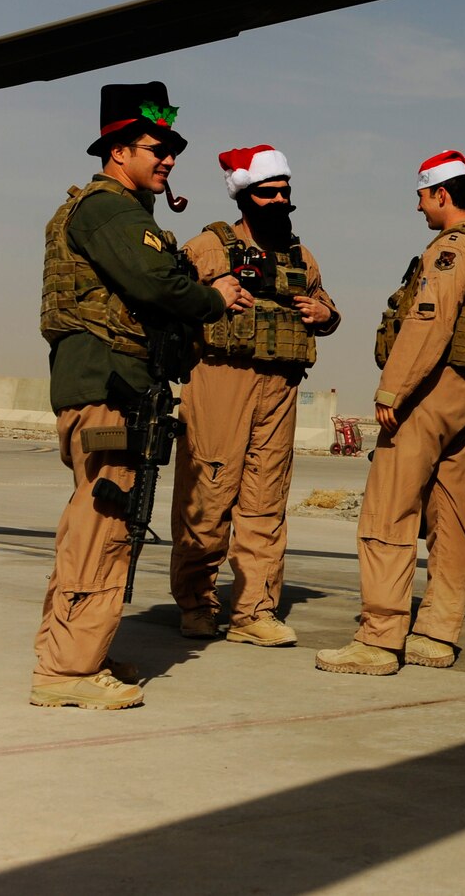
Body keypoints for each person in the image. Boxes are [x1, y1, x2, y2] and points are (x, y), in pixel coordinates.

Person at [33, 82, 249, 709]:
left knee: (100, 518)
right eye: (158, 148)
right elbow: (157, 284)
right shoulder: (108, 210)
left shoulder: (121, 212)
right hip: (106, 383)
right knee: (103, 519)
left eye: (172, 150)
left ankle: (78, 652)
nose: (169, 159)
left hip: (116, 382)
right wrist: (214, 298)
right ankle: (67, 672)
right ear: (119, 151)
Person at [317, 150, 465, 675]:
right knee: (450, 519)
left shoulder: (451, 249)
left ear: (442, 194)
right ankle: (437, 634)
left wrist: (392, 392)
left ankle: (379, 640)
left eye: (422, 196)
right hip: (462, 397)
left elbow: (429, 323)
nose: (419, 206)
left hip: (426, 393)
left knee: (389, 514)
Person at [171, 145, 340, 647]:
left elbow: (325, 303)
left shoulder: (300, 255)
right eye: (268, 193)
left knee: (266, 499)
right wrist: (212, 293)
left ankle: (254, 612)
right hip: (219, 378)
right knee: (209, 491)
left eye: (285, 192)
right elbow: (168, 300)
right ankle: (197, 602)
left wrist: (325, 315)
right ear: (244, 196)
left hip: (280, 387)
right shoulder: (208, 247)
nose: (280, 200)